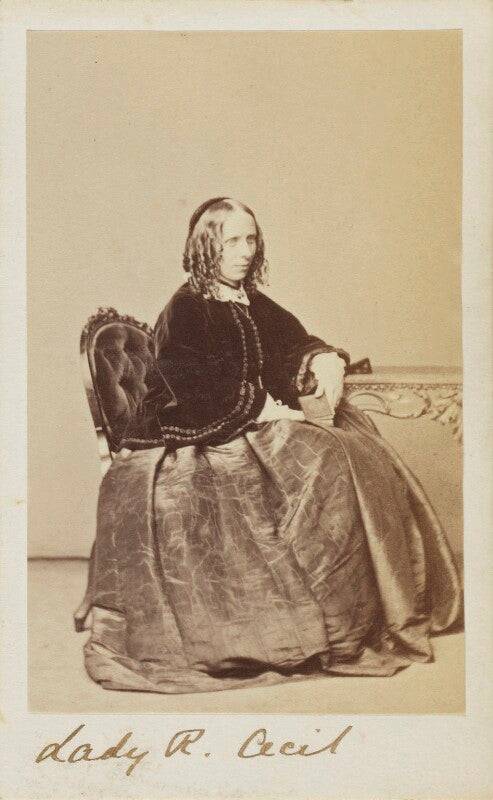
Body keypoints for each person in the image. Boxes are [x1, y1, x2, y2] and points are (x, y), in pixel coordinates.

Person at [82, 197, 462, 695]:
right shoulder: (186, 308)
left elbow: (290, 341)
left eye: (251, 239)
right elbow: (190, 393)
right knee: (323, 459)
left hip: (242, 422)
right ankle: (315, 622)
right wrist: (265, 410)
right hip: (195, 437)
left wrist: (319, 358)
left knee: (352, 441)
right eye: (232, 241)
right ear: (207, 246)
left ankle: (358, 611)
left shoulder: (247, 298)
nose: (245, 251)